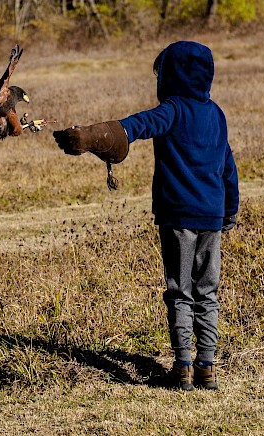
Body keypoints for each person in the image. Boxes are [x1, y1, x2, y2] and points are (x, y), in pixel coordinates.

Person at [53, 41, 239, 391]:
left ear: (173, 76)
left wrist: (96, 135)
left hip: (178, 216)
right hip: (212, 217)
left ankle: (182, 367)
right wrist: (230, 210)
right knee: (207, 291)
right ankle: (207, 368)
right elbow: (228, 165)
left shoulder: (172, 109)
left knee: (180, 291)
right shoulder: (217, 114)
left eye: (161, 72)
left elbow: (139, 124)